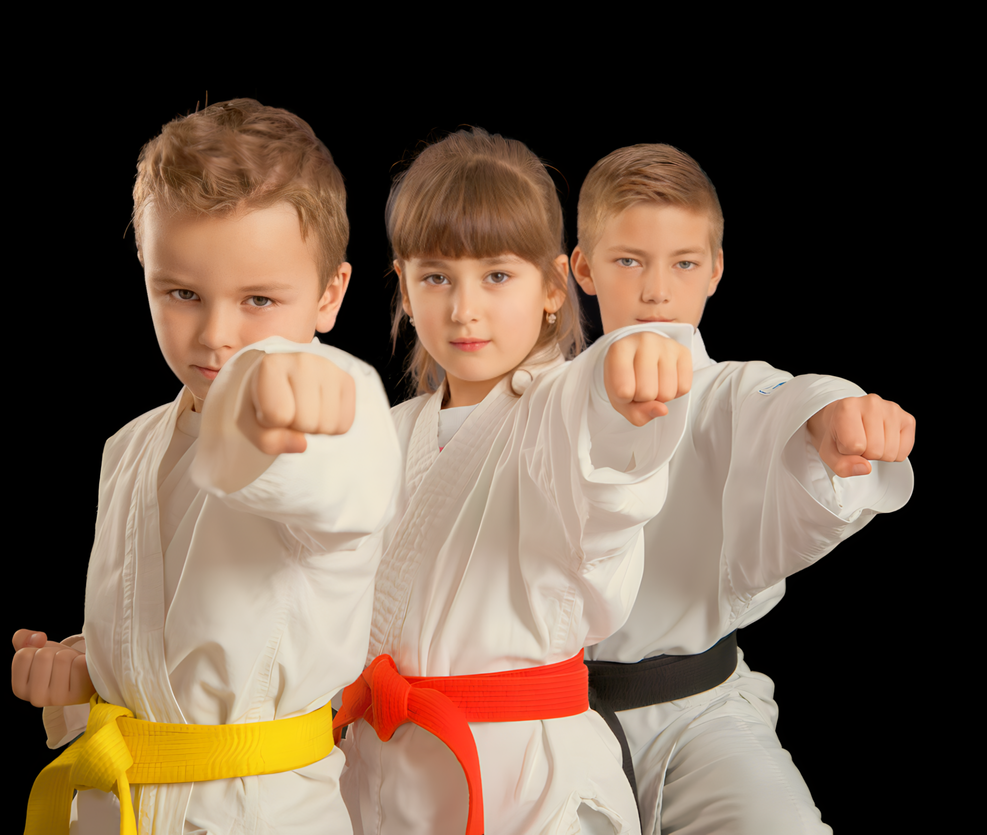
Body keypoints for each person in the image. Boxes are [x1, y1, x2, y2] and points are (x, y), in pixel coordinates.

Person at [11, 98, 400, 835]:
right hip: (113, 806)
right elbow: (181, 646)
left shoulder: (338, 412)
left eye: (259, 299)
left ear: (329, 295)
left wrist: (297, 392)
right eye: (181, 293)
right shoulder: (129, 448)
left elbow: (337, 482)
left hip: (261, 811)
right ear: (146, 271)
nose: (217, 335)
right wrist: (87, 665)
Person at [333, 127, 694, 835]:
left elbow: (603, 433)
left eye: (497, 275)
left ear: (554, 286)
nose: (464, 308)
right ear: (403, 285)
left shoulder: (561, 406)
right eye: (436, 276)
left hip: (528, 787)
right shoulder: (382, 427)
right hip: (378, 777)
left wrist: (634, 363)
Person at [570, 143, 915, 834]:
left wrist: (836, 414)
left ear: (716, 270)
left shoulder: (728, 391)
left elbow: (783, 402)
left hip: (701, 715)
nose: (656, 291)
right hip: (547, 722)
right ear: (580, 267)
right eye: (628, 260)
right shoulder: (540, 402)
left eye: (684, 263)